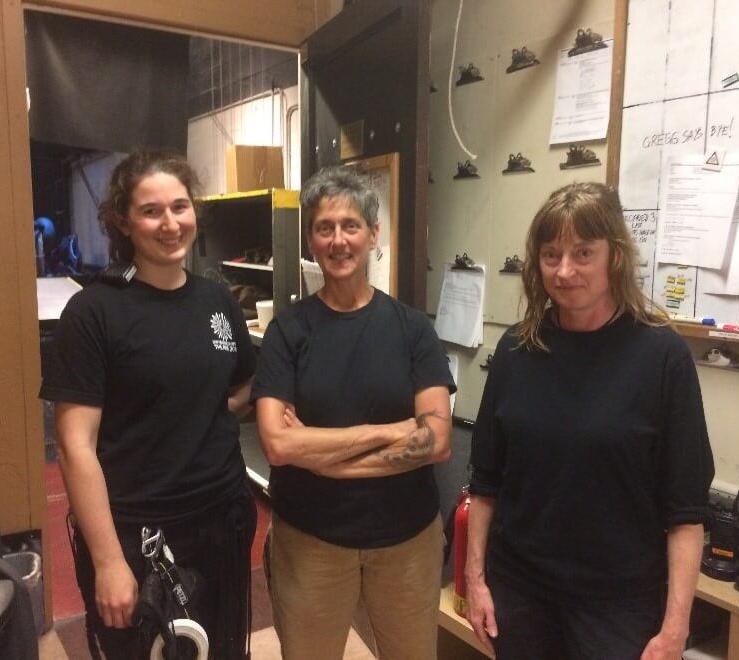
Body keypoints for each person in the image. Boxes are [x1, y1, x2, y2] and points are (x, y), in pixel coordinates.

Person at [466, 182, 714, 660]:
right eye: (551, 253)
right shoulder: (516, 350)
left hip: (618, 607)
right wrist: (476, 581)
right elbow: (486, 483)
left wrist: (676, 627)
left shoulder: (663, 357)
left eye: (583, 252)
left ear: (614, 257)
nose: (564, 270)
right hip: (520, 594)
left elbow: (686, 511)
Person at [40, 150, 257, 659]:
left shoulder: (217, 302)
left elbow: (240, 388)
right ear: (123, 220)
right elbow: (75, 447)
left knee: (223, 650)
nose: (170, 223)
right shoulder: (94, 312)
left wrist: (216, 413)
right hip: (140, 535)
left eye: (180, 207)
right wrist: (109, 560)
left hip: (220, 520)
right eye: (151, 210)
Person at [251, 166, 456, 660]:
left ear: (372, 234)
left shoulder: (411, 330)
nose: (338, 240)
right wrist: (388, 430)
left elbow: (439, 441)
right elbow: (278, 445)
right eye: (325, 228)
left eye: (350, 226)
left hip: (407, 541)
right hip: (311, 540)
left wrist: (317, 453)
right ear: (311, 239)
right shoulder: (288, 332)